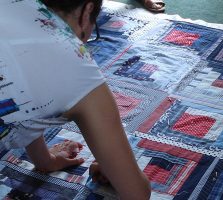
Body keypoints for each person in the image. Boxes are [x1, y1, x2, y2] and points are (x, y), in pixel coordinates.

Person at [0, 0, 151, 199]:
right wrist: (112, 168)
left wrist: (46, 161)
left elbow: (21, 84)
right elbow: (137, 193)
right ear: (87, 11)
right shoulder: (81, 74)